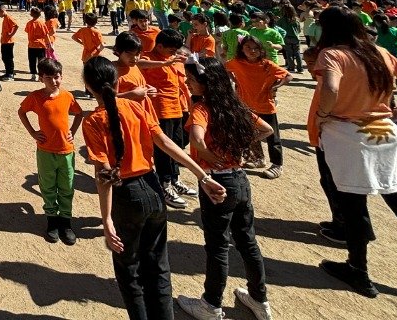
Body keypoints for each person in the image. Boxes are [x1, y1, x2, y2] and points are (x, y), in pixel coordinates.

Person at [81, 56, 226, 320]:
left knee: (130, 270)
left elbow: (104, 175)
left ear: (88, 87)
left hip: (126, 196)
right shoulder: (137, 107)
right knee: (159, 266)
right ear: (116, 81)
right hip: (153, 189)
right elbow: (165, 143)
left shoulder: (92, 121)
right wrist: (201, 174)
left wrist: (106, 220)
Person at [309, 6, 397, 298]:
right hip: (383, 130)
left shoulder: (332, 54)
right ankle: (357, 269)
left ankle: (359, 270)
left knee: (353, 205)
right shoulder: (378, 53)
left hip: (347, 133)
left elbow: (331, 88)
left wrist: (323, 114)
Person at [176, 56, 275, 320]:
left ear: (204, 82)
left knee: (218, 246)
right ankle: (259, 298)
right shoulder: (235, 106)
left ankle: (211, 304)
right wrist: (238, 146)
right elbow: (265, 129)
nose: (188, 82)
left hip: (217, 182)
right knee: (247, 240)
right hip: (240, 179)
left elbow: (196, 139)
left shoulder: (202, 109)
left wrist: (210, 157)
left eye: (192, 79)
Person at [18, 58, 84, 244]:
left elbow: (79, 114)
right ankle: (52, 221)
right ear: (41, 78)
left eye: (57, 77)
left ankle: (66, 221)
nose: (54, 81)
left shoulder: (68, 96)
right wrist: (33, 133)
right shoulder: (36, 97)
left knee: (66, 186)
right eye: (49, 78)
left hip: (66, 151)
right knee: (47, 186)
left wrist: (73, 132)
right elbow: (22, 112)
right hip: (45, 151)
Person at [140, 28, 193, 208]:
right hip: (160, 110)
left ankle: (174, 179)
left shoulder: (175, 59)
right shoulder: (148, 57)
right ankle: (165, 184)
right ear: (160, 46)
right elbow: (138, 64)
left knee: (177, 145)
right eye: (171, 50)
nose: (174, 54)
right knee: (163, 150)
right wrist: (163, 63)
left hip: (178, 108)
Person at [226, 36, 292, 180]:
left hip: (265, 105)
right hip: (246, 106)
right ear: (242, 49)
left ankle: (276, 165)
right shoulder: (236, 62)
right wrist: (234, 80)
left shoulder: (267, 65)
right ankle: (258, 159)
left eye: (256, 48)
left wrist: (275, 86)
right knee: (251, 133)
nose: (252, 51)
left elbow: (288, 76)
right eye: (248, 47)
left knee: (272, 136)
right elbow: (226, 68)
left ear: (261, 49)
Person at [0, 3, 18, 82]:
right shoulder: (5, 18)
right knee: (5, 58)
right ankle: (8, 72)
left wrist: (11, 34)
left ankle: (10, 74)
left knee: (8, 58)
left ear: (2, 11)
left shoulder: (8, 17)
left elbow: (16, 25)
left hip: (8, 42)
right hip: (5, 41)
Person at [24, 7, 48, 82]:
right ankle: (40, 75)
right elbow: (46, 34)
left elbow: (27, 31)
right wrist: (49, 44)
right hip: (41, 45)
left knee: (32, 61)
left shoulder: (29, 23)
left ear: (32, 14)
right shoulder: (42, 23)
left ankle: (33, 74)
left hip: (31, 45)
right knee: (41, 61)